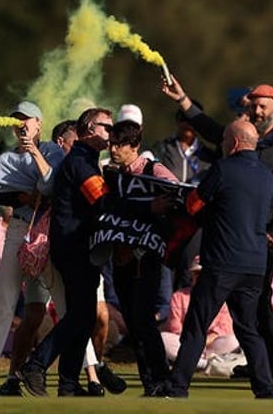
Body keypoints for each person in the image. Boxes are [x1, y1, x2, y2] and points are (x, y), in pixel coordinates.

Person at [163, 78, 273, 376]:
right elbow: (215, 131)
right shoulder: (245, 138)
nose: (257, 111)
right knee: (248, 307)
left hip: (268, 238)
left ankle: (265, 367)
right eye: (253, 105)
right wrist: (183, 101)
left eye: (262, 106)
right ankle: (261, 369)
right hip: (240, 235)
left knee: (257, 306)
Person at [0, 102, 94, 397]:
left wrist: (34, 155)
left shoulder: (53, 152)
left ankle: (91, 374)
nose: (21, 125)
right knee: (2, 302)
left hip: (49, 235)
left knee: (67, 305)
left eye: (26, 120)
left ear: (38, 124)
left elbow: (51, 186)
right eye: (16, 120)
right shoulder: (7, 159)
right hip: (20, 230)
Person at [18, 107, 135, 397]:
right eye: (107, 127)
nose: (112, 133)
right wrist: (145, 205)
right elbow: (103, 203)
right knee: (80, 316)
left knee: (82, 316)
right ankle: (36, 365)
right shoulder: (81, 161)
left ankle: (68, 383)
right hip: (74, 248)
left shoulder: (88, 160)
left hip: (78, 247)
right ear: (90, 129)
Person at [156, 119, 273, 399]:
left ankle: (177, 387)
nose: (221, 145)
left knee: (196, 326)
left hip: (222, 262)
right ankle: (266, 389)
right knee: (249, 330)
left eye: (224, 140)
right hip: (255, 265)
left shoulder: (223, 169)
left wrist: (204, 214)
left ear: (234, 143)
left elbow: (193, 204)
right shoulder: (267, 175)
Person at [103, 118, 178, 394]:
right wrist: (146, 207)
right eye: (111, 143)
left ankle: (160, 379)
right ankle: (151, 382)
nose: (113, 149)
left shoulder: (153, 169)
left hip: (146, 256)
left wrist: (147, 210)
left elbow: (173, 199)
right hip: (120, 257)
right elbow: (108, 207)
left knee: (144, 320)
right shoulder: (111, 174)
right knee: (134, 324)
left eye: (119, 144)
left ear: (134, 146)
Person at [161, 256, 240, 369]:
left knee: (233, 340)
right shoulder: (179, 296)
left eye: (204, 273)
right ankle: (204, 364)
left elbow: (223, 328)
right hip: (186, 342)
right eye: (197, 274)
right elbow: (175, 328)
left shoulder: (222, 297)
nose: (200, 277)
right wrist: (193, 343)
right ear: (192, 276)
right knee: (163, 338)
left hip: (212, 345)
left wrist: (202, 343)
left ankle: (197, 362)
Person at [153, 100, 217, 185]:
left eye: (194, 121)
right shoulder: (161, 149)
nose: (189, 124)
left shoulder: (209, 156)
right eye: (184, 118)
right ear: (178, 120)